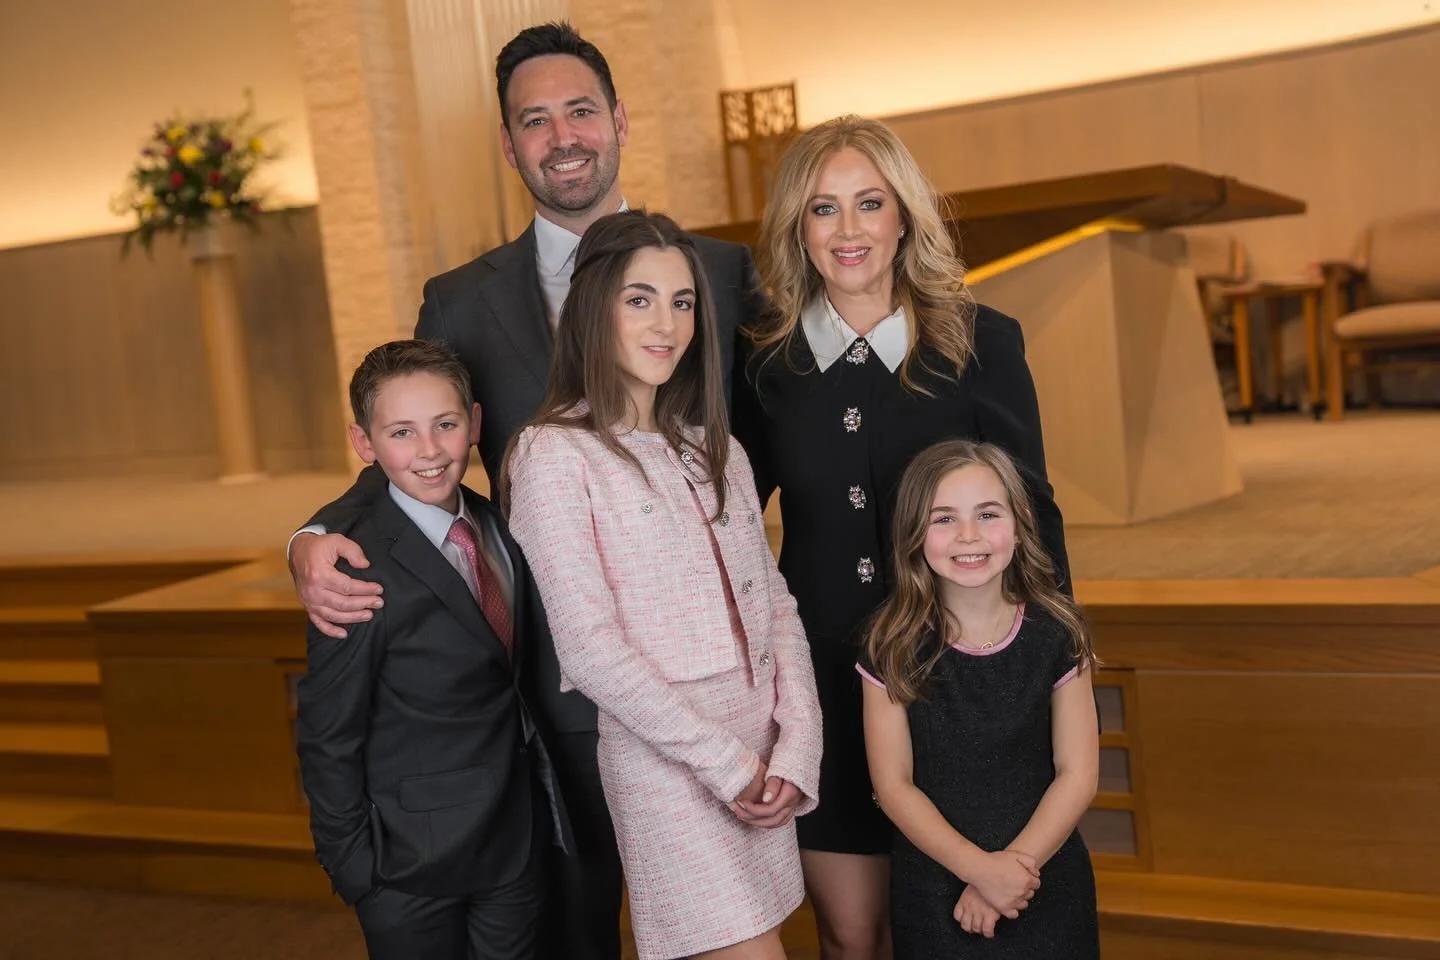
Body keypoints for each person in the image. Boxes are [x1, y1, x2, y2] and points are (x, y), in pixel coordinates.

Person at [287, 23, 765, 960]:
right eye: (534, 121)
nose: (563, 136)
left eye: (580, 111)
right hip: (559, 683)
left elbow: (760, 450)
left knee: (725, 925)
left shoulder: (715, 272)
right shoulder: (461, 299)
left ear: (619, 119)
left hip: (708, 677)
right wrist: (314, 533)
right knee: (576, 930)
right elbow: (415, 442)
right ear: (509, 146)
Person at [732, 115, 1072, 959]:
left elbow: (1032, 511)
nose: (848, 230)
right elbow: (726, 519)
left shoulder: (982, 341)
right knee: (853, 935)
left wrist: (1052, 661)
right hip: (820, 676)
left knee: (958, 925)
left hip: (955, 680)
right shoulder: (765, 362)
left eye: (869, 203)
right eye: (823, 208)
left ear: (904, 217)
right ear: (797, 228)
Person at [503, 209, 823, 960]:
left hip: (762, 751)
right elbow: (590, 649)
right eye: (639, 299)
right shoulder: (554, 455)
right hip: (670, 768)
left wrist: (797, 744)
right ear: (594, 308)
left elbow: (774, 603)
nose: (667, 324)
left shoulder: (716, 448)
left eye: (682, 302)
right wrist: (726, 764)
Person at [296, 339, 571, 960]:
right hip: (409, 866)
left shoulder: (496, 524)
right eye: (402, 433)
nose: (429, 450)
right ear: (365, 443)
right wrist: (356, 870)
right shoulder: (354, 568)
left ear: (474, 423)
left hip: (514, 843)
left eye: (445, 425)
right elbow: (328, 732)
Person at [858, 439, 1099, 958]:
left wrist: (1013, 871)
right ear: (913, 532)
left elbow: (1078, 774)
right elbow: (894, 786)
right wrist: (981, 872)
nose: (969, 535)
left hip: (1045, 876)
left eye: (987, 514)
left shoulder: (1057, 633)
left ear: (1020, 523)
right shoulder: (891, 644)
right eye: (943, 519)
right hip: (936, 885)